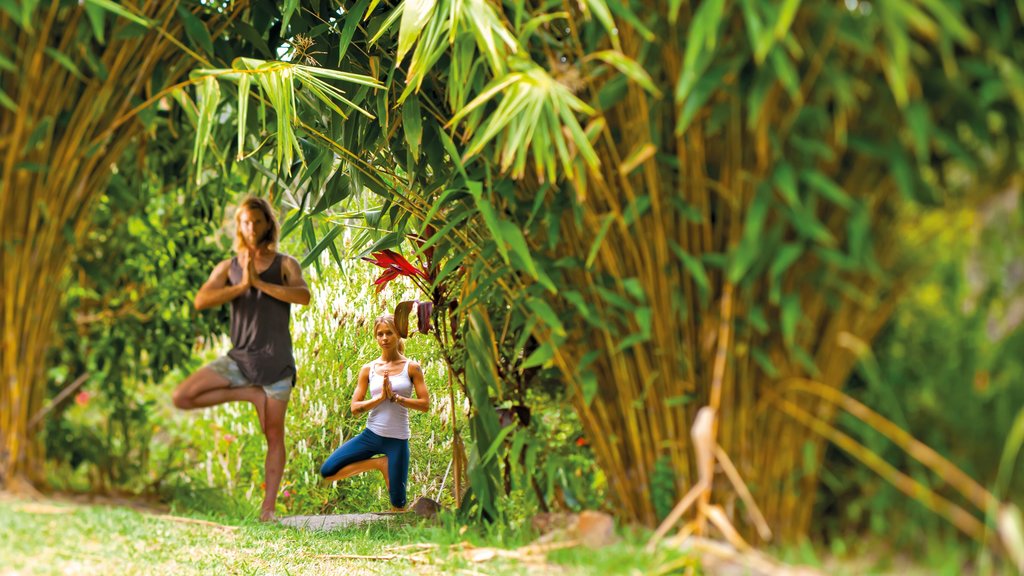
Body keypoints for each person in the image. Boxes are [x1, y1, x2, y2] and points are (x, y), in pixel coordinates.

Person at [172, 196, 310, 522]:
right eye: (245, 222)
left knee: (273, 435)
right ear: (239, 225)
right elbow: (201, 300)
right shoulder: (228, 267)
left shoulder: (285, 264)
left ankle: (268, 509)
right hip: (239, 359)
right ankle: (249, 393)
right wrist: (242, 286)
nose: (251, 228)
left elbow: (303, 296)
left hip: (276, 364)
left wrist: (261, 284)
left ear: (268, 225)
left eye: (257, 221)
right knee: (182, 396)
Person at [319, 313, 430, 511]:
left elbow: (425, 404)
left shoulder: (412, 367)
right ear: (375, 337)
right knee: (328, 471)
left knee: (398, 503)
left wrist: (397, 398)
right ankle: (379, 464)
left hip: (397, 440)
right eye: (380, 334)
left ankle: (388, 467)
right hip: (371, 436)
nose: (384, 338)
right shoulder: (368, 369)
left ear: (398, 335)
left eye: (389, 333)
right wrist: (379, 399)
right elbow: (355, 408)